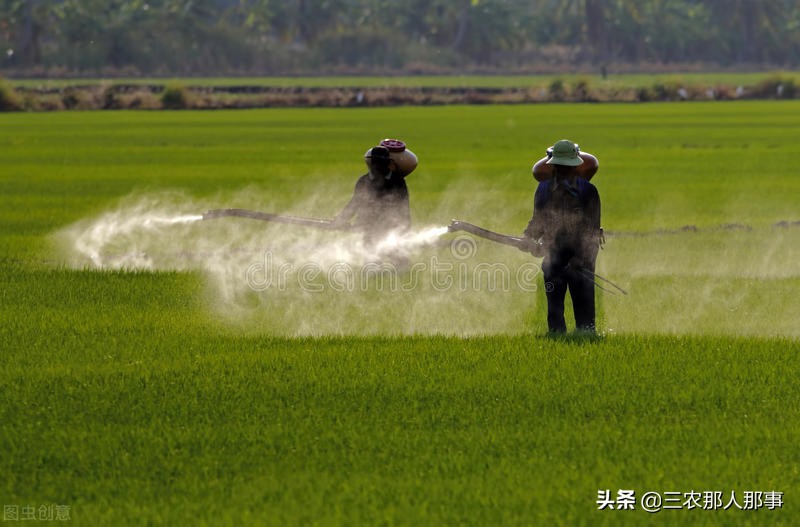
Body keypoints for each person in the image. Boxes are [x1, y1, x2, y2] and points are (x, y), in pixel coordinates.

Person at [521, 139, 603, 335]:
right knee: (554, 307)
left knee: (584, 311)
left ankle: (586, 335)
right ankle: (557, 336)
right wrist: (528, 238)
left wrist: (580, 259)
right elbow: (538, 221)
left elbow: (592, 231)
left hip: (581, 259)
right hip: (553, 257)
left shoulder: (588, 191)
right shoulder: (543, 189)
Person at [333, 139, 417, 246]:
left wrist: (404, 229)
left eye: (381, 163)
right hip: (368, 229)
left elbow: (403, 208)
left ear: (387, 164)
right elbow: (355, 203)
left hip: (392, 231)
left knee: (398, 260)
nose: (378, 166)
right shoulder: (363, 181)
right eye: (376, 163)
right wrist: (342, 218)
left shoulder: (398, 182)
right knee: (371, 259)